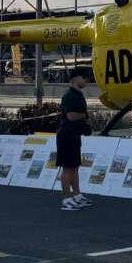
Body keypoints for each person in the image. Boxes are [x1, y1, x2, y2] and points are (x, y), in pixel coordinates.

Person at [56, 72, 93, 211]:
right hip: (66, 136)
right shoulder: (69, 95)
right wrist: (85, 115)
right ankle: (66, 199)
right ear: (76, 79)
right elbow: (71, 116)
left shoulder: (78, 94)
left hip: (74, 135)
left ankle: (76, 195)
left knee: (75, 166)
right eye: (85, 77)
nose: (87, 80)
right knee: (67, 168)